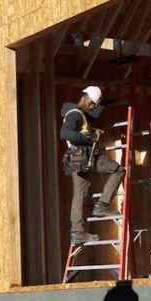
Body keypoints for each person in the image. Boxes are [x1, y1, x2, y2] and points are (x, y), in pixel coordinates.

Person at [61, 85, 125, 245]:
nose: (92, 108)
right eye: (92, 105)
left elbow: (93, 116)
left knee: (79, 195)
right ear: (87, 100)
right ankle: (102, 205)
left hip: (77, 160)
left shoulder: (80, 114)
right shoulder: (75, 116)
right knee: (118, 170)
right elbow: (65, 133)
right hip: (85, 157)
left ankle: (77, 232)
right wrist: (91, 135)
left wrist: (108, 102)